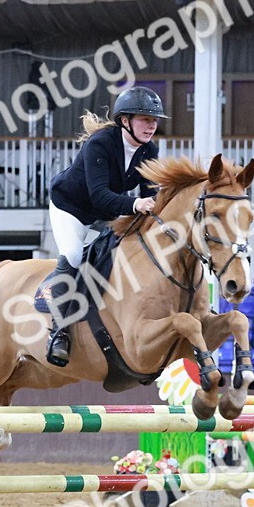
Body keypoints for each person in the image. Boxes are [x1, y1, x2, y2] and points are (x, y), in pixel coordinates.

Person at [44, 85, 168, 367]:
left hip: (105, 213)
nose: (152, 125)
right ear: (125, 121)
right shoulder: (99, 144)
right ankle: (58, 332)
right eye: (145, 119)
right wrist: (136, 204)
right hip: (71, 208)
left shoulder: (149, 150)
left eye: (154, 120)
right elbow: (99, 195)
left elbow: (151, 195)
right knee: (73, 254)